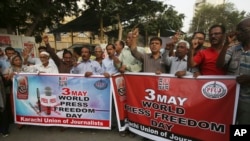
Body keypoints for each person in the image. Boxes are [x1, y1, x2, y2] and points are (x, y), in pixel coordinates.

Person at [216, 17, 250, 124]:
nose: (237, 33)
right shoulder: (233, 49)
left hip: (247, 102)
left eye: (241, 30)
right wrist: (226, 44)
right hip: (230, 99)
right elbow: (220, 65)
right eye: (237, 30)